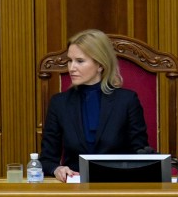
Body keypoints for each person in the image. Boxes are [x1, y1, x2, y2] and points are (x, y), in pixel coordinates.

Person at [40, 29, 151, 182]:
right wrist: (56, 169)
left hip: (118, 189)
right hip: (74, 190)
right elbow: (46, 160)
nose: (71, 68)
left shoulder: (127, 101)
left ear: (100, 65)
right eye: (70, 60)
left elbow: (141, 155)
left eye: (79, 61)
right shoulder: (59, 103)